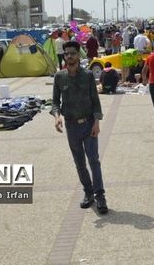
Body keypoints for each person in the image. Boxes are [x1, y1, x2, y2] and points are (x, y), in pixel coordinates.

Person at [51, 41, 108, 213]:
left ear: (78, 55)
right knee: (80, 164)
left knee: (94, 161)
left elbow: (95, 101)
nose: (69, 56)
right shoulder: (59, 77)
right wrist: (56, 116)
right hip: (71, 127)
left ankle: (100, 196)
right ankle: (88, 193)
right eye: (66, 53)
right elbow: (55, 102)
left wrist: (97, 122)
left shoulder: (88, 75)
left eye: (72, 53)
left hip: (89, 124)